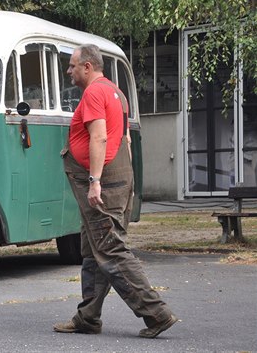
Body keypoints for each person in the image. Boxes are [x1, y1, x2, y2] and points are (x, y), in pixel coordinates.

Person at [53, 44, 178, 338]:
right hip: (119, 176)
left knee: (109, 248)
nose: (69, 71)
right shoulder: (116, 93)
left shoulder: (95, 93)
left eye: (72, 66)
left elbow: (99, 137)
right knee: (92, 249)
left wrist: (95, 180)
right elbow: (125, 139)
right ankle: (88, 317)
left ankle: (155, 313)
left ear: (87, 66)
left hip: (102, 182)